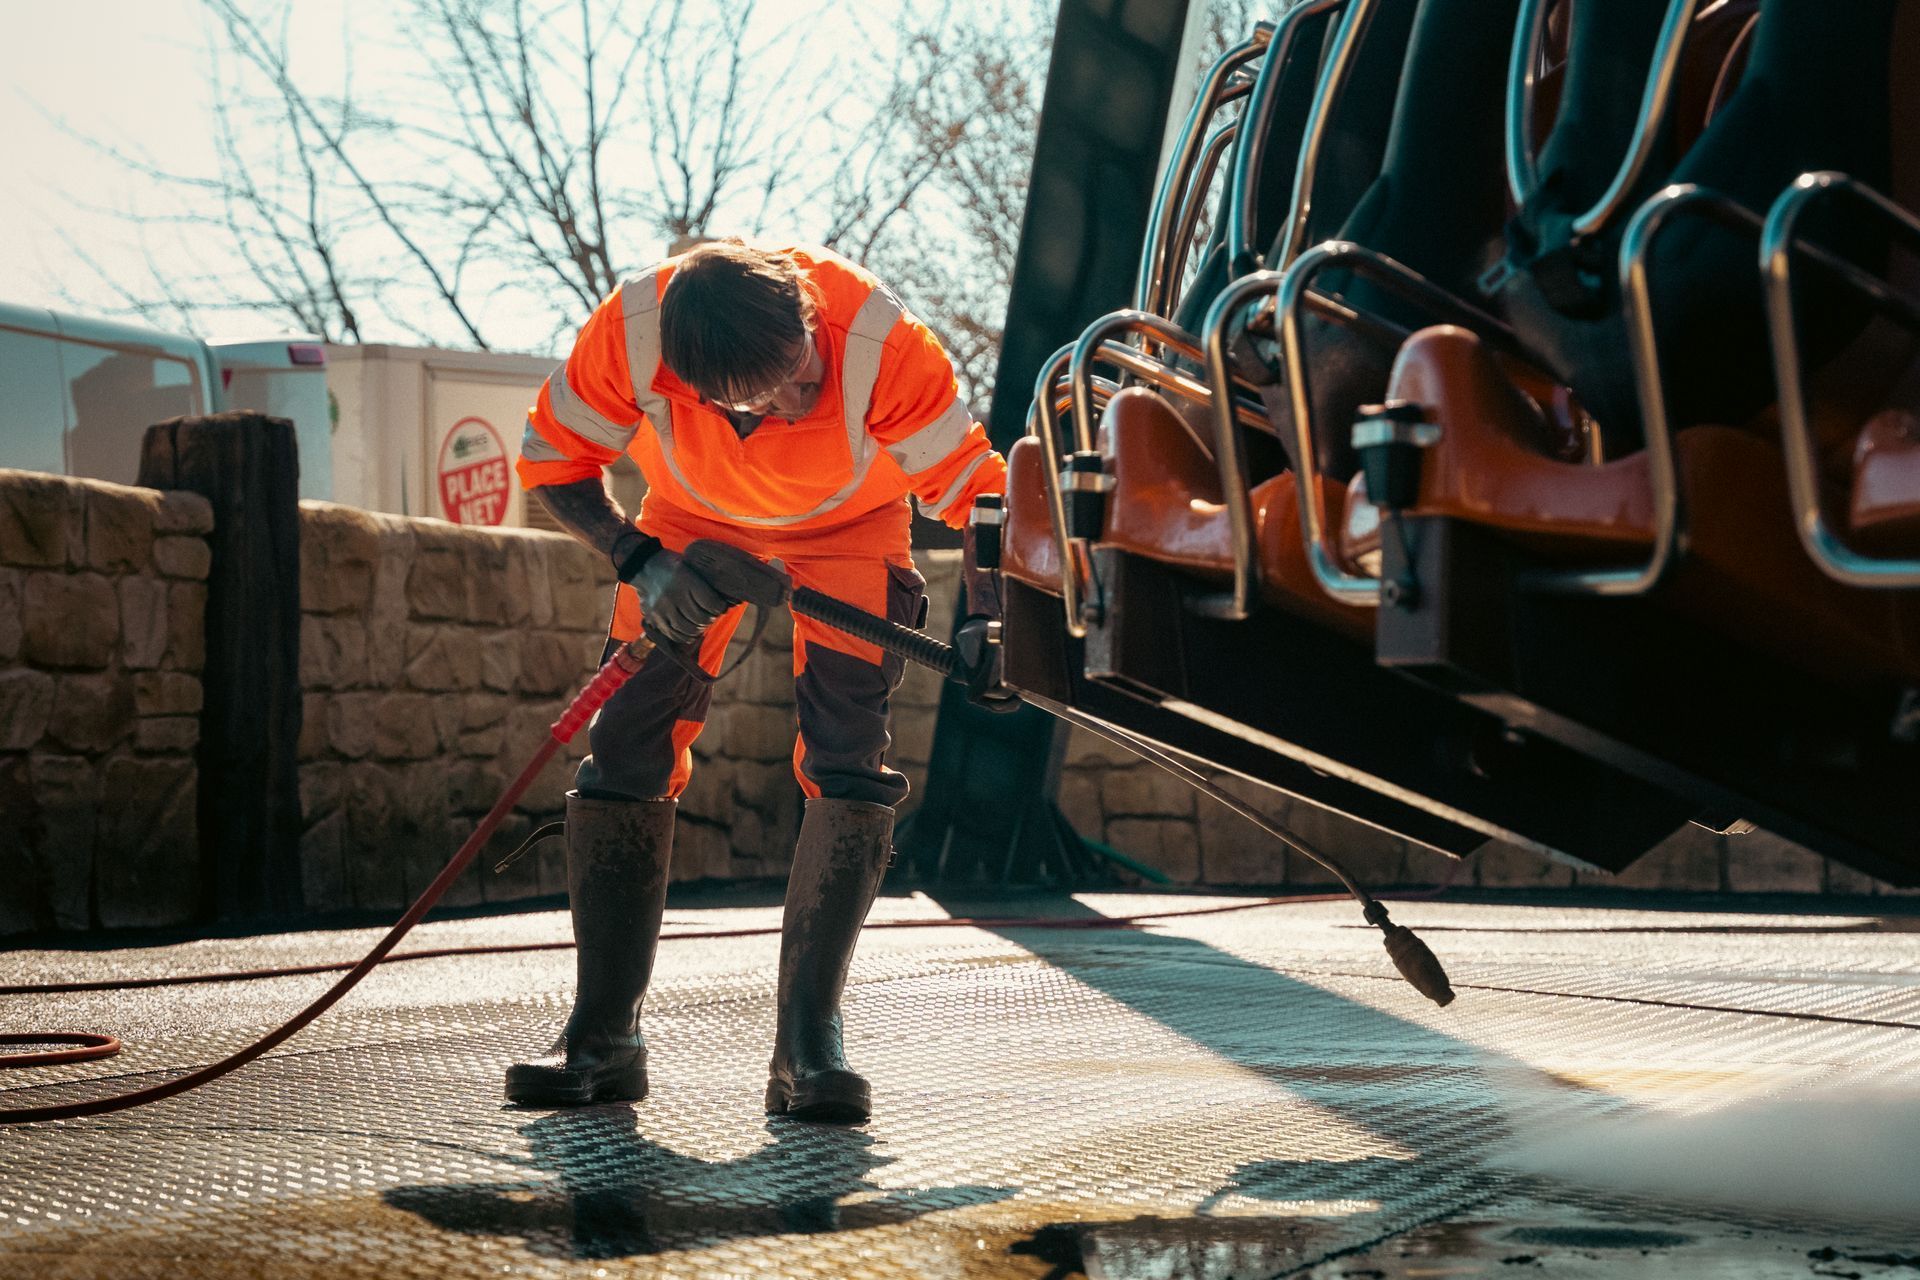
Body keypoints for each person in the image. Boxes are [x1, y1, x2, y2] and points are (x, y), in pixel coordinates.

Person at [506, 239, 1006, 1124]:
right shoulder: (630, 335)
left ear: (811, 318)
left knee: (849, 755)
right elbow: (552, 462)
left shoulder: (883, 346)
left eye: (803, 370)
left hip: (851, 526)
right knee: (626, 745)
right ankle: (602, 1036)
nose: (803, 397)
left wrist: (992, 621)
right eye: (770, 397)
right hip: (689, 523)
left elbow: (982, 491)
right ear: (693, 387)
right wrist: (638, 559)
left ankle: (808, 1043)